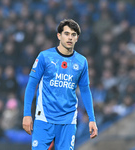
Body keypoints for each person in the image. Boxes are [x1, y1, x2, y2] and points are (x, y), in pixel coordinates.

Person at [22, 19, 98, 150]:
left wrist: (92, 119)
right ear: (59, 35)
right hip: (44, 118)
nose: (70, 37)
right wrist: (26, 114)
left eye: (73, 35)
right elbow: (31, 85)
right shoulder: (45, 57)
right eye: (66, 33)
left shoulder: (81, 62)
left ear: (77, 38)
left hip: (68, 121)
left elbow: (85, 91)